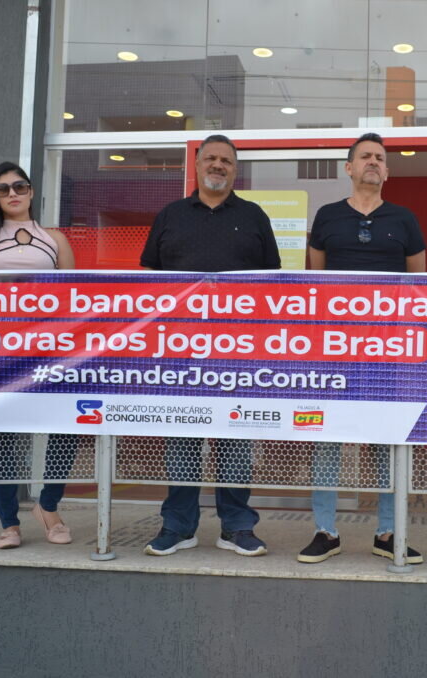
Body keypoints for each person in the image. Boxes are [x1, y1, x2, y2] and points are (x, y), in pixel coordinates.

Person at [139, 134, 281, 558]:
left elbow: (271, 285)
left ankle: (236, 526)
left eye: (227, 161)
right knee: (182, 436)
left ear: (235, 170)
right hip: (180, 351)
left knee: (235, 435)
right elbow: (148, 284)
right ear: (197, 165)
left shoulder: (254, 216)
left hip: (237, 350)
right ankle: (178, 526)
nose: (218, 166)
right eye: (211, 159)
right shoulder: (170, 215)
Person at [297, 132, 426, 565]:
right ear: (348, 168)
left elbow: (417, 286)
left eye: (380, 158)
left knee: (386, 440)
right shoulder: (328, 216)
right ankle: (325, 530)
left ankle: (389, 532)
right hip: (335, 349)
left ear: (386, 171)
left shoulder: (405, 219)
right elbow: (317, 284)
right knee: (328, 437)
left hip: (388, 352)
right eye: (365, 157)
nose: (373, 162)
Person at [0, 161, 78, 550]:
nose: (12, 194)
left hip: (49, 348)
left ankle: (48, 505)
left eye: (19, 186)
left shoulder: (54, 239)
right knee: (1, 436)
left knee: (66, 425)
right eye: (3, 188)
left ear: (31, 191)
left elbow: (75, 295)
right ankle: (8, 523)